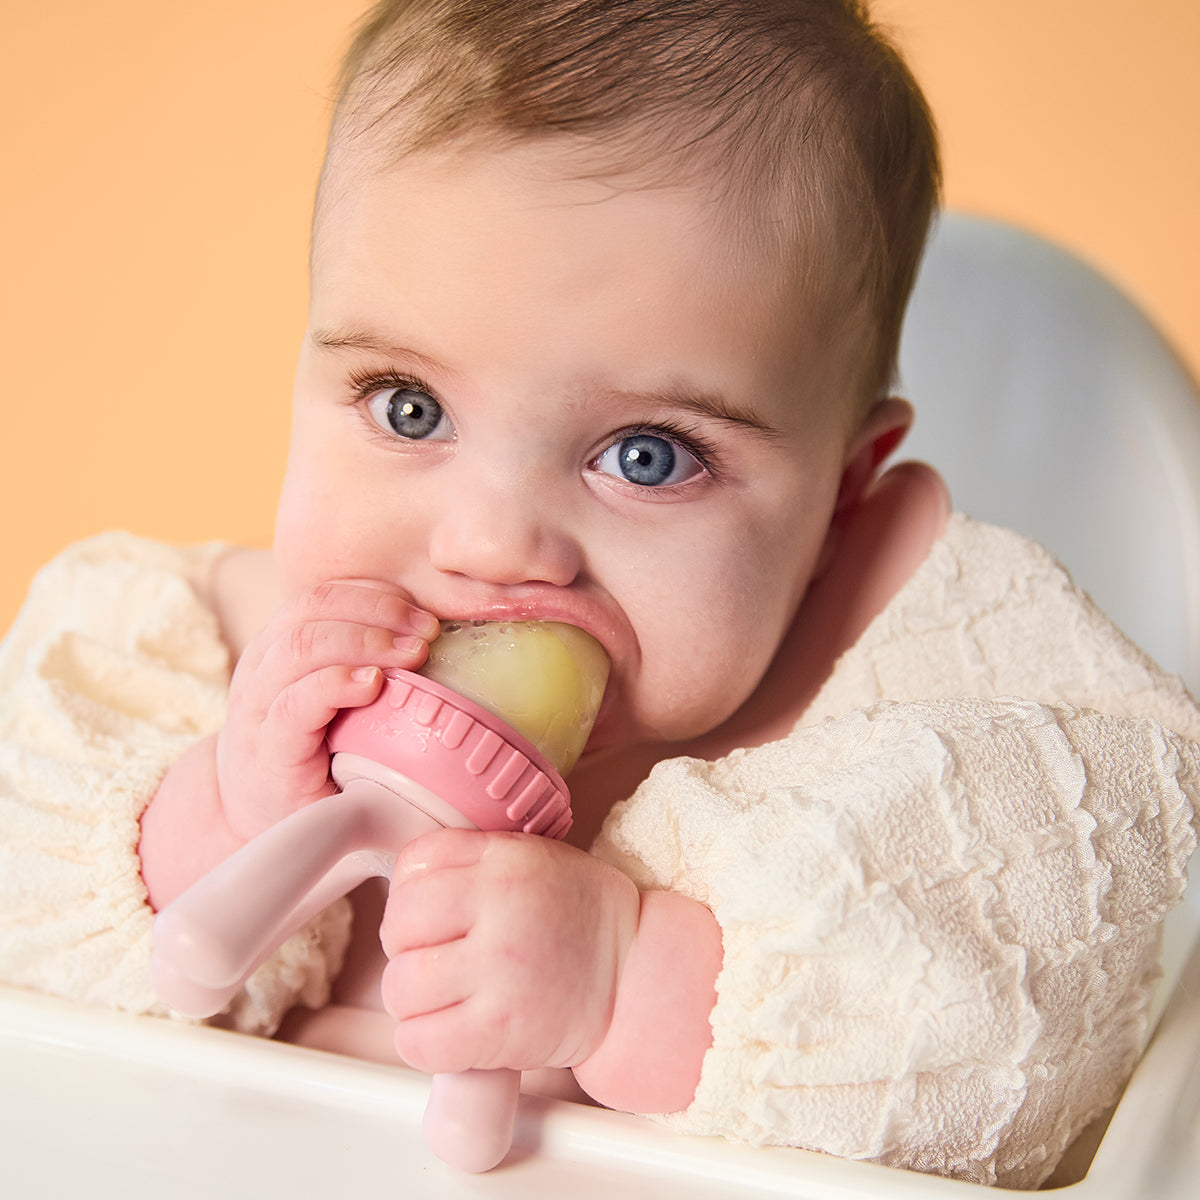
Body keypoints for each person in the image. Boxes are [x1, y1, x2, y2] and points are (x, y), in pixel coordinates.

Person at [1, 0, 1197, 1188]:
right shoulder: (181, 656)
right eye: (409, 407)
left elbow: (1017, 1026)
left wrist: (637, 983)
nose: (492, 544)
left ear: (838, 503)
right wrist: (220, 820)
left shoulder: (916, 732)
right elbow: (31, 933)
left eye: (648, 456)